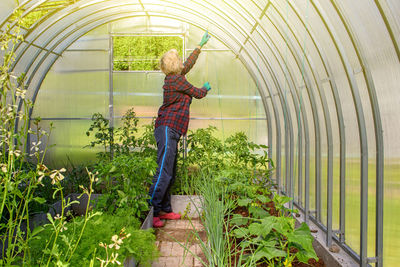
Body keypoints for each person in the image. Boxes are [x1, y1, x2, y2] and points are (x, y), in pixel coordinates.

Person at [148, 31, 212, 228]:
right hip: (167, 129)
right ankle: (152, 211)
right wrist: (205, 88)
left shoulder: (175, 77)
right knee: (164, 171)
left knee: (170, 171)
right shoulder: (178, 81)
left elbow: (188, 64)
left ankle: (165, 210)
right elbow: (197, 93)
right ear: (175, 65)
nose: (182, 64)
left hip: (171, 130)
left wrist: (199, 47)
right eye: (179, 61)